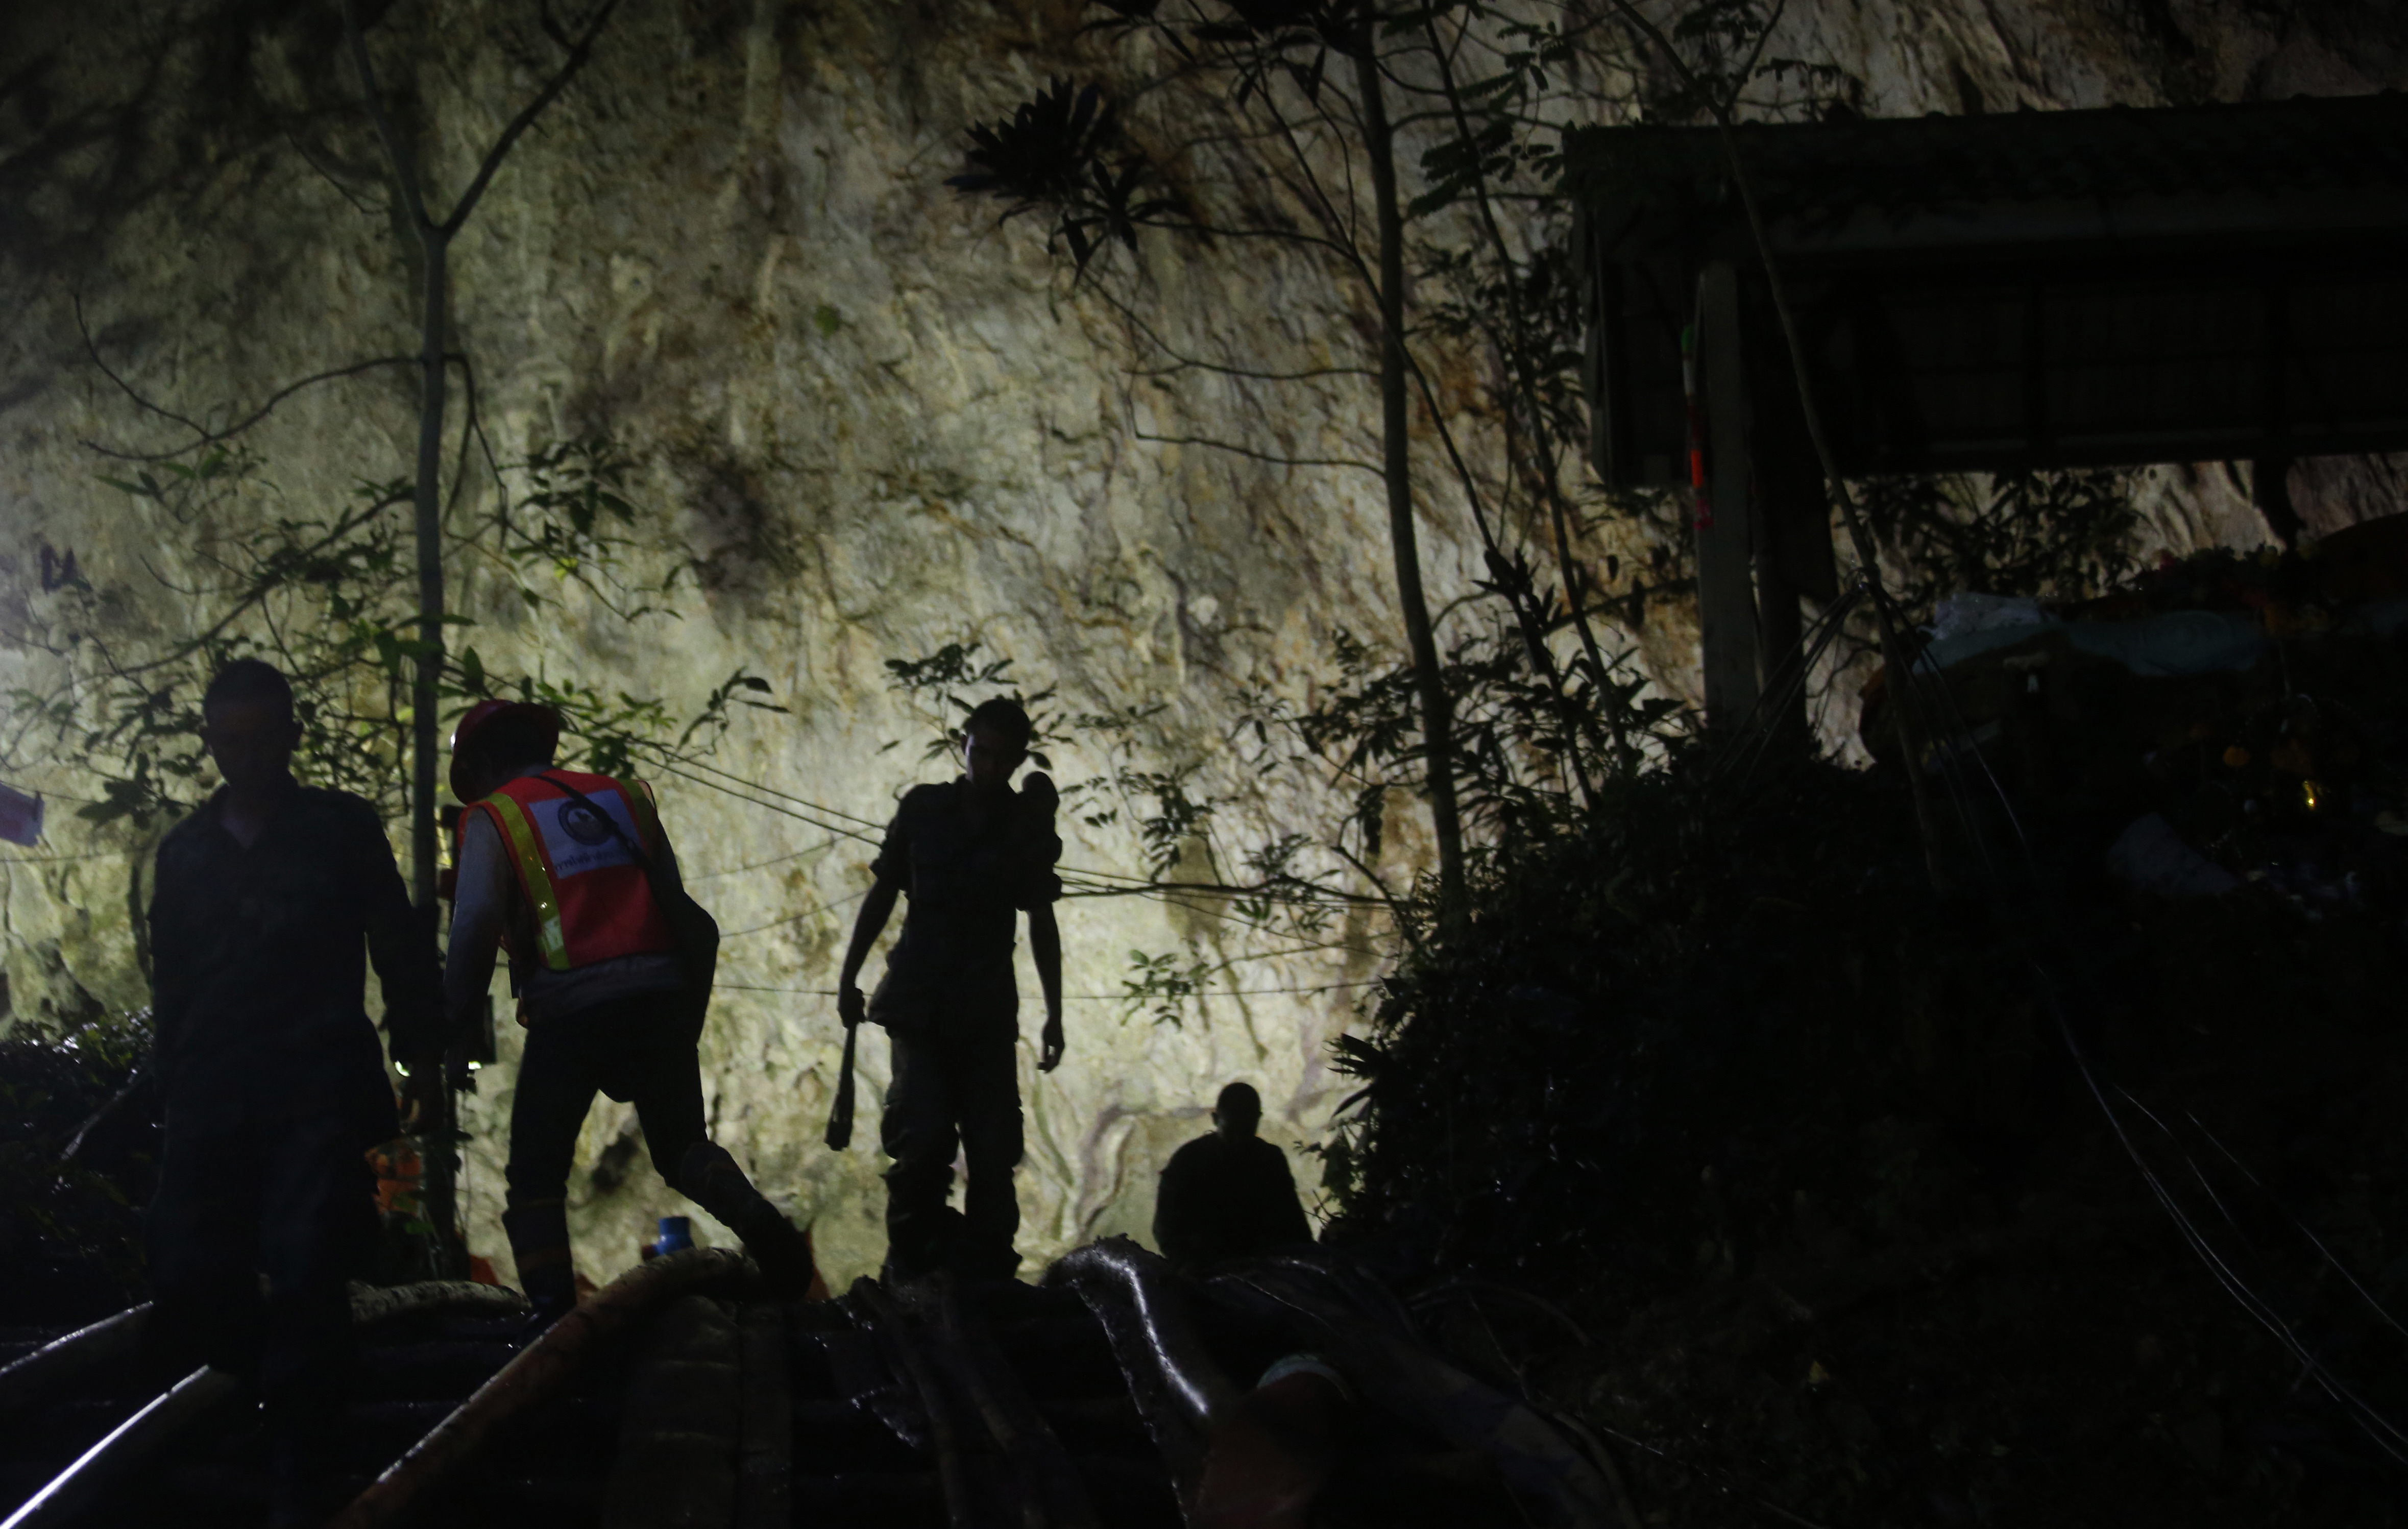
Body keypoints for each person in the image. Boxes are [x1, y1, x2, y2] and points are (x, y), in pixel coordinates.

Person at [144, 658, 443, 1524]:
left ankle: (305, 1455)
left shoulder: (340, 830)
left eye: (260, 739)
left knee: (310, 1258)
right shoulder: (187, 852)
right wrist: (174, 1088)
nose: (245, 757)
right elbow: (173, 981)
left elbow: (397, 942)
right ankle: (236, 1423)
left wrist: (418, 1058)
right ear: (211, 744)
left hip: (314, 1078)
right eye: (229, 741)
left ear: (291, 738)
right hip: (212, 1084)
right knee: (196, 1258)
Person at [442, 698, 817, 1322]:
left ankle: (552, 1322)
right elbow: (676, 906)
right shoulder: (623, 798)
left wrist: (454, 1034)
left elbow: (476, 926)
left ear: (481, 765)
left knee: (535, 1176)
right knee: (680, 1147)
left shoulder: (494, 816)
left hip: (572, 1005)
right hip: (660, 996)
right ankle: (763, 1227)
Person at [837, 696, 1065, 1282]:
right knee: (923, 1142)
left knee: (992, 1152)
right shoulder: (924, 808)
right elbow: (884, 892)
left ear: (1017, 761)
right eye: (978, 751)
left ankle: (989, 1275)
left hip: (986, 1009)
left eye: (1000, 758)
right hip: (919, 1001)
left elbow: (1041, 920)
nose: (986, 766)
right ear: (963, 745)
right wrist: (849, 974)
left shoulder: (1024, 827)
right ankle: (913, 1269)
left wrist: (1055, 1015)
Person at [1154, 1082, 1314, 1269]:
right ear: (1215, 1119)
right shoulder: (1189, 1161)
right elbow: (1167, 1228)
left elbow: (1293, 1223)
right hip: (1207, 1270)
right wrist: (1186, 1263)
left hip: (1266, 1269)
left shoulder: (1270, 1160)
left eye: (1246, 1131)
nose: (1239, 1140)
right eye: (1232, 1131)